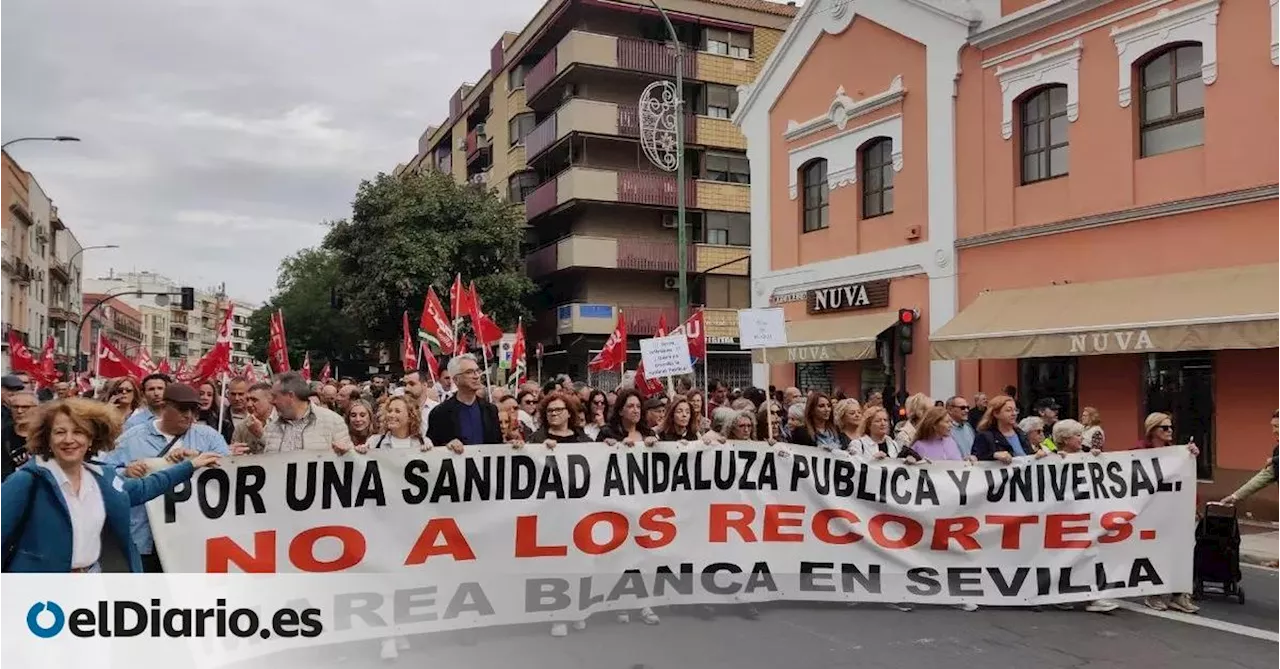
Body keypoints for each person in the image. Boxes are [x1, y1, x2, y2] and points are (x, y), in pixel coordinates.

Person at [0, 398, 220, 572]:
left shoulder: (102, 477)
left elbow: (143, 488)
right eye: (59, 432)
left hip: (94, 585)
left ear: (91, 438)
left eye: (78, 431)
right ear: (47, 438)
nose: (69, 439)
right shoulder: (26, 481)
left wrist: (189, 466)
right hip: (38, 595)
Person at [104, 383, 231, 572]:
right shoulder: (132, 438)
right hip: (146, 535)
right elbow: (106, 475)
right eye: (181, 409)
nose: (188, 415)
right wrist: (126, 472)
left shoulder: (208, 437)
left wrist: (195, 455)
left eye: (193, 409)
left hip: (192, 534)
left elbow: (230, 468)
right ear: (164, 407)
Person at [1135, 412, 1201, 613]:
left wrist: (1190, 456)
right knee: (1154, 551)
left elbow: (1185, 482)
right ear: (1152, 430)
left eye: (1171, 427)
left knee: (1180, 550)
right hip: (1151, 512)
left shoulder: (1177, 453)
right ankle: (1153, 593)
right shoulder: (1138, 451)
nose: (1170, 431)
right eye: (1164, 428)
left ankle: (1179, 594)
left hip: (1175, 512)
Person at [258, 372, 354, 454]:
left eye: (275, 396)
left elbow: (349, 459)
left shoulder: (333, 422)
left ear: (291, 396)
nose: (272, 401)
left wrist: (349, 452)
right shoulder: (272, 426)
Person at [426, 355, 502, 452]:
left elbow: (498, 445)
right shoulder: (440, 413)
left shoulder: (490, 410)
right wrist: (447, 446)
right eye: (469, 372)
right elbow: (432, 448)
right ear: (456, 379)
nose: (476, 376)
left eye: (477, 371)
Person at [1221, 409, 1280, 506]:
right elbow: (1265, 476)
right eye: (1272, 426)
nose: (1274, 431)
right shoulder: (1277, 450)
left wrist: (1274, 460)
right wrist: (1235, 496)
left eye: (1276, 426)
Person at [0, 391, 38, 481]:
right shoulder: (4, 435)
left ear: (37, 409)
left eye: (25, 407)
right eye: (15, 407)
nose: (19, 411)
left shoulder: (47, 433)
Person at [230, 382, 275, 454]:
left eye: (254, 400)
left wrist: (261, 435)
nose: (248, 404)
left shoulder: (284, 422)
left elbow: (286, 452)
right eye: (247, 400)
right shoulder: (241, 427)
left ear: (270, 400)